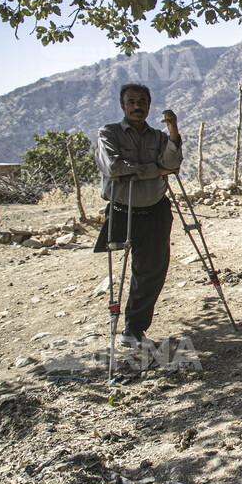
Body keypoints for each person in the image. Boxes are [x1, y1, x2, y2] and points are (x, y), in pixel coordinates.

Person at [94, 83, 182, 349]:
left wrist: (173, 132)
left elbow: (172, 164)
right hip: (124, 209)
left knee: (151, 270)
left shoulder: (158, 136)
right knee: (126, 269)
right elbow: (114, 168)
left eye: (142, 101)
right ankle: (125, 328)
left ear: (149, 105)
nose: (137, 106)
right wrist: (153, 170)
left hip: (155, 209)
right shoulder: (108, 133)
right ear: (123, 105)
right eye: (131, 101)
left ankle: (133, 330)